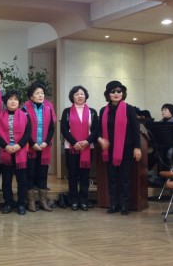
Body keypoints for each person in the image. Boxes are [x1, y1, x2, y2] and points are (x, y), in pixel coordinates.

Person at [98, 80, 141, 215]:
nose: (116, 94)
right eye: (113, 92)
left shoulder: (129, 109)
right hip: (109, 149)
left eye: (119, 91)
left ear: (123, 93)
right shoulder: (103, 110)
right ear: (108, 94)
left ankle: (124, 205)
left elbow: (136, 129)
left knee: (125, 178)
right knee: (112, 178)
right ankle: (114, 204)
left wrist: (137, 147)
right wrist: (100, 139)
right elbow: (98, 129)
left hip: (126, 149)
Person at [60, 85, 98, 211]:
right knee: (72, 174)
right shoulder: (66, 111)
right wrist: (74, 142)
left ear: (86, 96)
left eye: (82, 94)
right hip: (71, 147)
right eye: (76, 94)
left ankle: (83, 200)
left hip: (87, 147)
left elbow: (95, 130)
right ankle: (74, 200)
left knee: (85, 175)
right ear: (72, 97)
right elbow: (64, 129)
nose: (80, 96)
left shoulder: (92, 112)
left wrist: (87, 141)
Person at [0, 89, 31, 215]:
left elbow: (28, 133)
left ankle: (21, 203)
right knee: (6, 180)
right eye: (10, 99)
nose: (13, 101)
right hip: (6, 152)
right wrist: (6, 146)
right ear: (6, 101)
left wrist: (18, 145)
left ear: (19, 102)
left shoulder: (25, 116)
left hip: (20, 152)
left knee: (22, 180)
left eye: (16, 99)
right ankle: (8, 203)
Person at [24, 82, 55, 212]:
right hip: (30, 147)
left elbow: (52, 128)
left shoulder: (48, 108)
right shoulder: (25, 108)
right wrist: (33, 143)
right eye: (37, 93)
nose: (41, 95)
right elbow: (24, 129)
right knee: (30, 174)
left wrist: (46, 142)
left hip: (44, 147)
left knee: (42, 174)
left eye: (42, 93)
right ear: (31, 96)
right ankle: (30, 202)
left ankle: (43, 202)